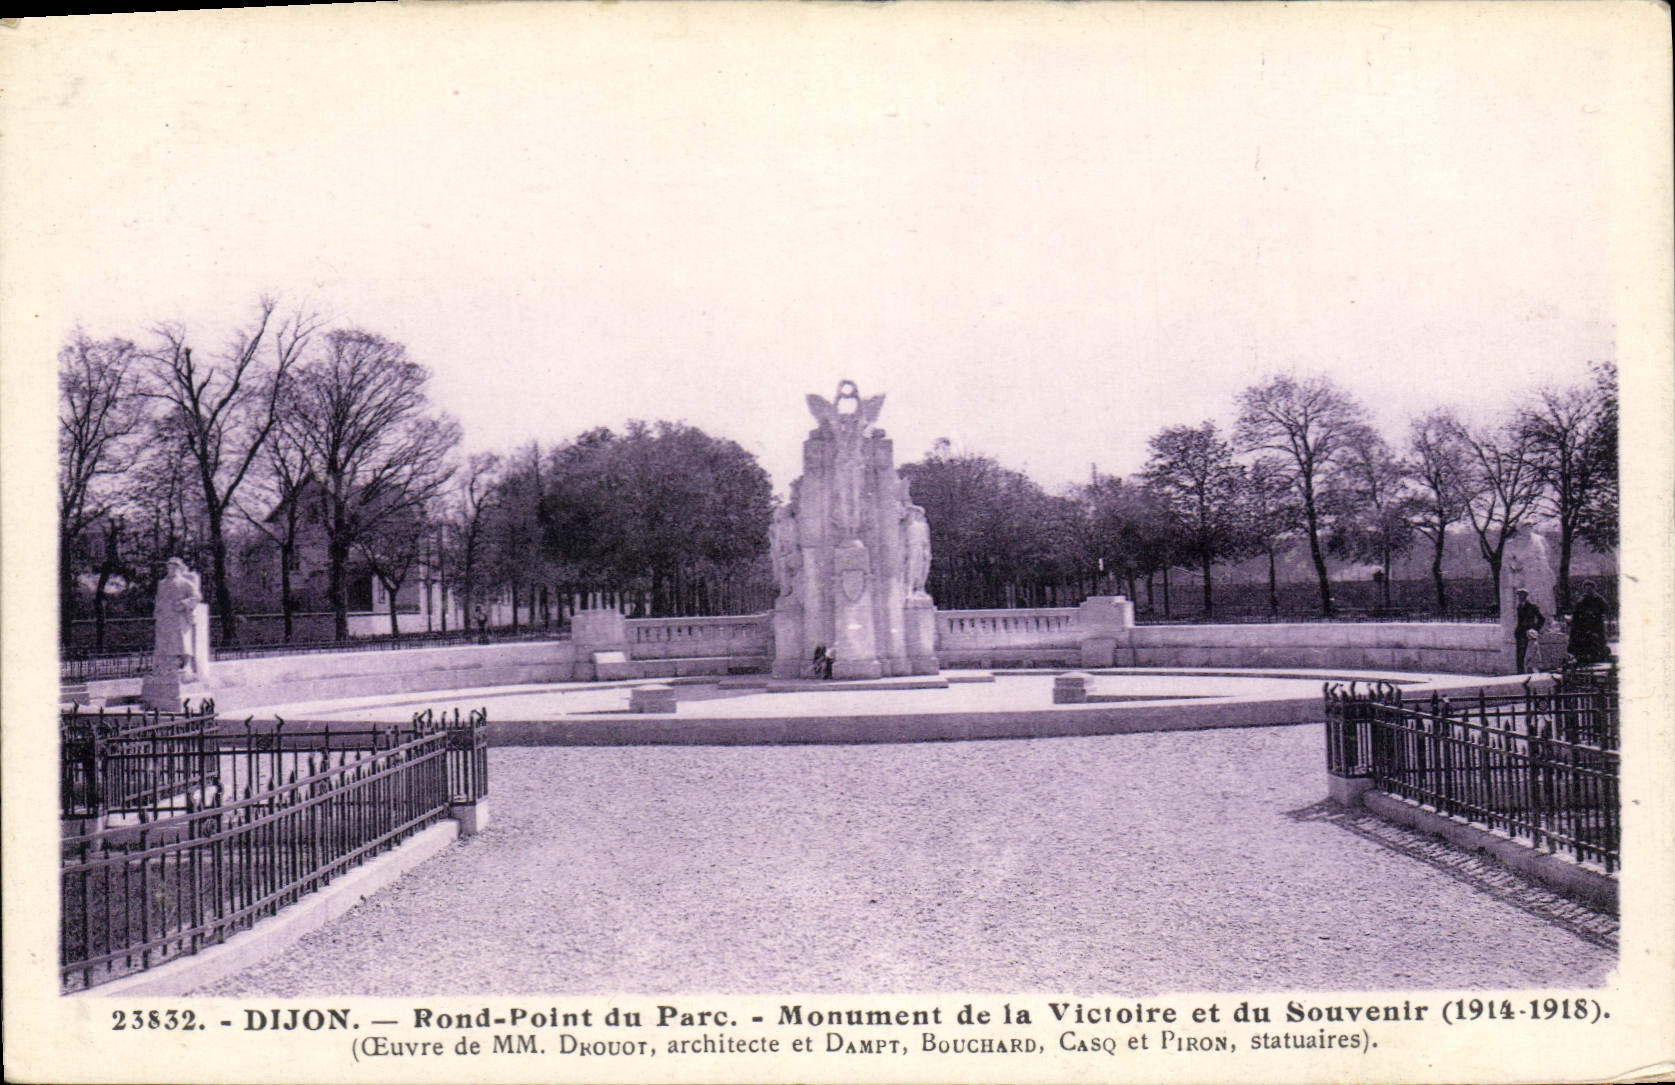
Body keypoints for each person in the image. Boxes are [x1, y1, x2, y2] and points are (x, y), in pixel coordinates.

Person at [1567, 580, 1612, 665]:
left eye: (1590, 588)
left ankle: (1598, 656)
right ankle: (1585, 657)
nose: (1588, 590)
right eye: (1586, 589)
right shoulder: (1581, 600)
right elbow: (1576, 612)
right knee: (1584, 641)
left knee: (1597, 641)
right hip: (1584, 624)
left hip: (1596, 624)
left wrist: (1598, 614)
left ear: (1593, 589)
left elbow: (1606, 608)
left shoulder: (1598, 599)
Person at [1513, 587, 1545, 673]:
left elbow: (1541, 619)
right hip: (1520, 633)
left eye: (1522, 595)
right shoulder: (1519, 607)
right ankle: (1520, 673)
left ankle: (1527, 672)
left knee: (1529, 655)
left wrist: (1534, 629)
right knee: (1520, 655)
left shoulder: (1532, 607)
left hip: (1528, 634)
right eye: (1519, 595)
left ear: (1526, 596)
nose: (1520, 597)